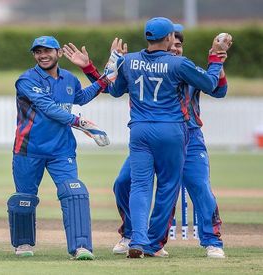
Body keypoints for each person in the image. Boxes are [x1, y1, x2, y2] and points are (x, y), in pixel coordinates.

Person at [64, 29, 230, 259]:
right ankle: (133, 235)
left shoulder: (186, 67)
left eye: (179, 45)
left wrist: (218, 62)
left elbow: (219, 90)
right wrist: (91, 68)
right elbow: (114, 87)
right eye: (173, 43)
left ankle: (211, 240)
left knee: (200, 188)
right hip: (162, 136)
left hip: (189, 138)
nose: (175, 48)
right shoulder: (150, 64)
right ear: (165, 40)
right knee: (123, 183)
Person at [8, 35, 111, 261]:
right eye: (38, 52)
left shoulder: (69, 79)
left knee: (74, 193)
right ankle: (23, 243)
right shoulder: (26, 80)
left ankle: (81, 247)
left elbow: (81, 98)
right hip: (28, 149)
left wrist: (103, 79)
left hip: (62, 151)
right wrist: (80, 123)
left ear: (59, 53)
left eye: (48, 51)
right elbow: (48, 107)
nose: (43, 55)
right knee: (24, 199)